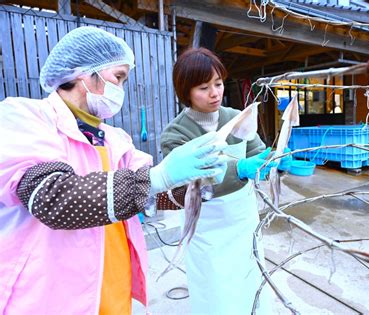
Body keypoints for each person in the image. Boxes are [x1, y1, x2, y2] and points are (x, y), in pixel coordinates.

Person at [0, 27, 228, 314]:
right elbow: (51, 199)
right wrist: (158, 176)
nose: (121, 88)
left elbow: (153, 193)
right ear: (84, 73)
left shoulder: (114, 138)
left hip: (113, 288)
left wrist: (197, 183)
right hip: (50, 296)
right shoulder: (23, 117)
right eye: (118, 77)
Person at [160, 47, 292, 314]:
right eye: (203, 87)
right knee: (215, 293)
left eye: (218, 84)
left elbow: (256, 152)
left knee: (250, 285)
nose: (214, 93)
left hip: (243, 221)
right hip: (206, 226)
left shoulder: (236, 117)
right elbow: (190, 183)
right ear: (186, 91)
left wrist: (274, 160)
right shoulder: (176, 134)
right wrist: (239, 168)